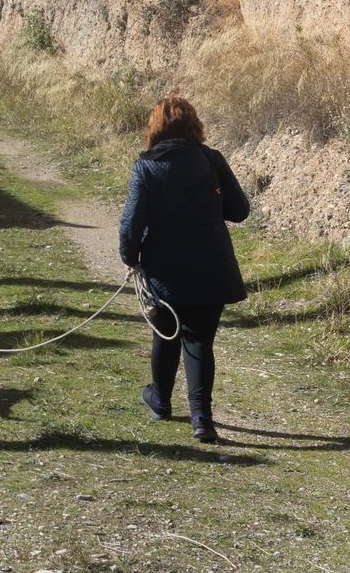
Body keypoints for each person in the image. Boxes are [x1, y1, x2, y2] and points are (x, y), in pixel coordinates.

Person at [118, 95, 250, 443]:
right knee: (200, 341)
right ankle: (202, 419)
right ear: (194, 126)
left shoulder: (145, 166)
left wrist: (129, 256)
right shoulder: (212, 160)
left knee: (166, 334)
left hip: (165, 269)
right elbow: (239, 210)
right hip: (212, 264)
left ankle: (160, 401)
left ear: (155, 128)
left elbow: (131, 225)